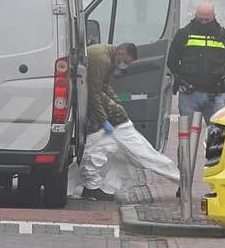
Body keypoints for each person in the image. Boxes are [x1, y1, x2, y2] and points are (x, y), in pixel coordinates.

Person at [77, 42, 179, 200]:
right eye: (125, 61)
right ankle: (100, 188)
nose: (123, 65)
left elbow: (103, 86)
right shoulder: (102, 60)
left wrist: (115, 104)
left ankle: (99, 188)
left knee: (124, 157)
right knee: (144, 156)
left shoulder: (107, 58)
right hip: (118, 124)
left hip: (117, 124)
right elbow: (95, 93)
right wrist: (105, 119)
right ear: (120, 53)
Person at [167, 2, 225, 126]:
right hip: (189, 94)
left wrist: (218, 77)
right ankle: (185, 147)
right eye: (201, 19)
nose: (203, 22)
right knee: (185, 135)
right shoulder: (183, 34)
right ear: (196, 15)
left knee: (218, 135)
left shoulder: (223, 36)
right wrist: (181, 80)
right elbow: (172, 61)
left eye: (207, 19)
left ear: (214, 16)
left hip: (214, 94)